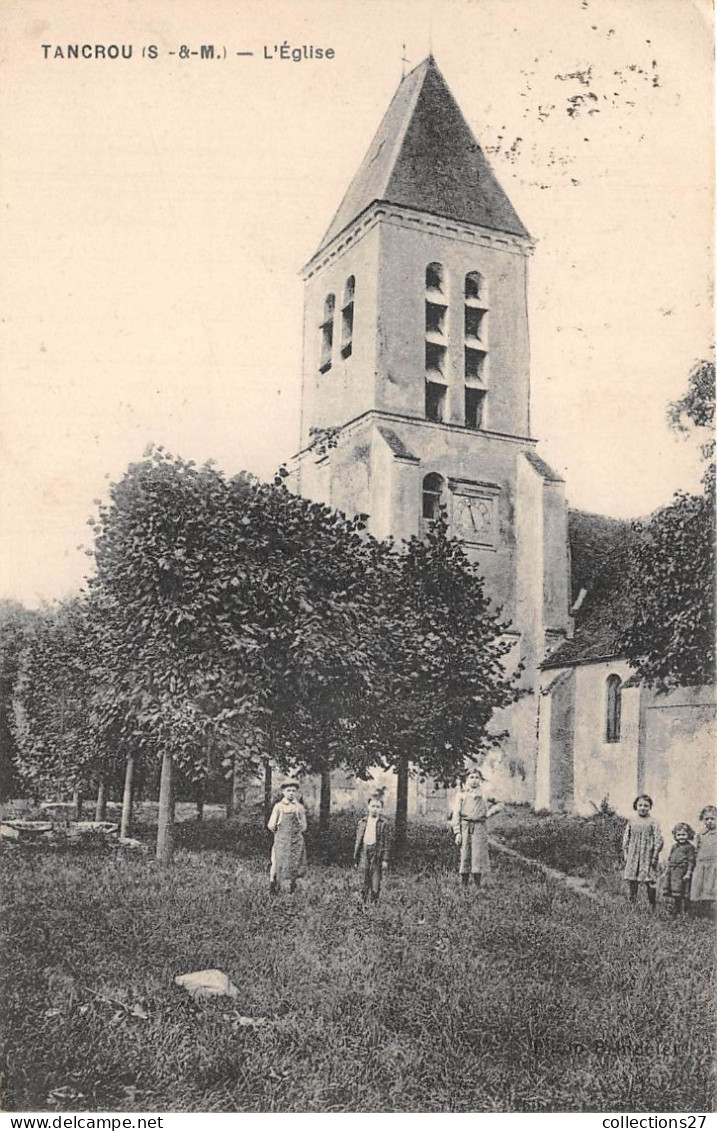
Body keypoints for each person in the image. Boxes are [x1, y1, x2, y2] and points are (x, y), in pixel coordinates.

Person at [450, 768, 503, 890]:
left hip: (479, 827)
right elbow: (456, 814)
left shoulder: (484, 794)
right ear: (466, 780)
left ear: (480, 780)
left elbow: (500, 803)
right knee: (465, 853)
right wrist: (457, 832)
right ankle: (464, 885)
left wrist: (489, 813)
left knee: (478, 855)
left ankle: (478, 885)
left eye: (477, 778)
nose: (474, 781)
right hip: (465, 827)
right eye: (471, 777)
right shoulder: (461, 794)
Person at [622, 794, 663, 909]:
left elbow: (658, 839)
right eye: (640, 805)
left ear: (650, 807)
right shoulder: (632, 821)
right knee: (632, 880)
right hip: (633, 855)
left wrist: (655, 855)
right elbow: (626, 838)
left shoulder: (653, 821)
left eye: (646, 805)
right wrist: (626, 854)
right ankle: (632, 904)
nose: (643, 808)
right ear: (636, 806)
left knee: (649, 880)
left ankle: (652, 905)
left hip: (647, 855)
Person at [267, 779, 307, 894]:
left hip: (295, 841)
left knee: (295, 864)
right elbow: (271, 825)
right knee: (277, 863)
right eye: (288, 790)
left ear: (296, 793)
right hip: (281, 841)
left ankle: (292, 889)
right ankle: (273, 886)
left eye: (293, 791)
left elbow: (304, 827)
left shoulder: (299, 807)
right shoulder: (278, 807)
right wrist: (280, 833)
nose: (291, 793)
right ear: (283, 792)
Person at [353, 793, 391, 904]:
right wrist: (356, 858)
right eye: (373, 806)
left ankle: (374, 902)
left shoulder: (384, 824)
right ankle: (363, 902)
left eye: (378, 807)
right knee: (364, 877)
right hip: (364, 851)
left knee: (375, 878)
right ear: (368, 807)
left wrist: (385, 859)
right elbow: (358, 841)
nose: (375, 809)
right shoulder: (362, 822)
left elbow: (386, 843)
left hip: (377, 853)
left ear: (381, 809)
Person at [661, 822, 696, 917]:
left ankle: (686, 912)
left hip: (682, 873)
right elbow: (670, 860)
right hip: (673, 873)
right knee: (674, 893)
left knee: (683, 893)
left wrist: (688, 873)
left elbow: (691, 861)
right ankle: (676, 911)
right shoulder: (674, 847)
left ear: (689, 835)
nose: (681, 837)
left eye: (684, 835)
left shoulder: (690, 847)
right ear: (675, 836)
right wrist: (666, 872)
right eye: (679, 835)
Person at [690, 805, 717, 919]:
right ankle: (700, 912)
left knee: (711, 887)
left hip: (714, 864)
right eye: (707, 819)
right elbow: (697, 848)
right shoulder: (701, 834)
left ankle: (711, 912)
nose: (709, 821)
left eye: (712, 818)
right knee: (700, 887)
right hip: (701, 865)